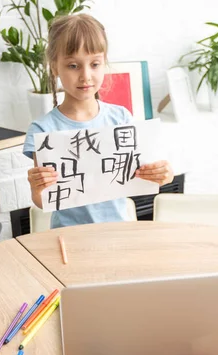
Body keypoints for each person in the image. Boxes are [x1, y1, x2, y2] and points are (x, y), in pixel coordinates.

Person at [22, 14, 173, 229]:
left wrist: (163, 174)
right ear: (55, 67)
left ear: (104, 64)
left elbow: (147, 175)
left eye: (94, 64)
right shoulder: (43, 129)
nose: (86, 76)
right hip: (69, 237)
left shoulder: (121, 118)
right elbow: (42, 200)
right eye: (73, 66)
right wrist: (37, 189)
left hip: (118, 232)